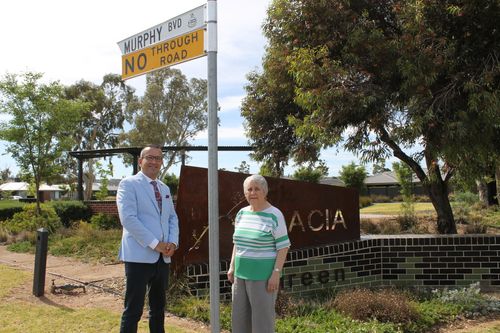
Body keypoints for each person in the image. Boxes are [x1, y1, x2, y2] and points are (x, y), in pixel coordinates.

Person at [116, 144, 179, 333]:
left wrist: (173, 243)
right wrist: (155, 244)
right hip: (138, 257)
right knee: (133, 310)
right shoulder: (128, 184)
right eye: (149, 157)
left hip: (163, 258)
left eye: (158, 158)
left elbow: (172, 217)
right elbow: (128, 218)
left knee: (158, 309)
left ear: (161, 162)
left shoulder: (164, 188)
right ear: (140, 161)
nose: (154, 161)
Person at [227, 174, 291, 333]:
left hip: (263, 277)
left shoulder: (274, 215)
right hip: (240, 276)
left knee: (262, 323)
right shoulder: (242, 213)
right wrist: (232, 266)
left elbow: (283, 247)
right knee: (239, 320)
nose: (253, 192)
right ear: (245, 192)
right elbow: (237, 243)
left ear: (265, 191)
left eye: (257, 189)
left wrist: (276, 273)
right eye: (249, 189)